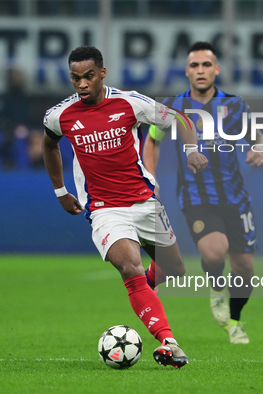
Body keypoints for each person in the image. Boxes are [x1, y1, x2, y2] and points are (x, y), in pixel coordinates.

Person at [42, 46, 208, 368]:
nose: (82, 85)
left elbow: (182, 120)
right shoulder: (60, 115)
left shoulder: (130, 102)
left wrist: (190, 151)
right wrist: (60, 190)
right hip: (105, 210)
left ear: (102, 73)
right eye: (75, 78)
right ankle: (168, 342)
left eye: (88, 76)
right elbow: (49, 143)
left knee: (174, 269)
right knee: (129, 267)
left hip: (145, 203)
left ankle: (146, 291)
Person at [143, 42, 263, 344]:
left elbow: (257, 135)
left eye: (206, 65)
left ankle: (235, 321)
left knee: (245, 267)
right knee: (214, 252)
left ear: (216, 70)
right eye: (194, 65)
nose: (200, 71)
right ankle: (216, 288)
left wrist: (258, 149)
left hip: (236, 198)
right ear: (187, 71)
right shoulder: (173, 106)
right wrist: (150, 177)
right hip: (196, 198)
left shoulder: (235, 106)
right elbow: (152, 141)